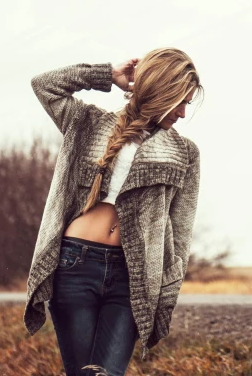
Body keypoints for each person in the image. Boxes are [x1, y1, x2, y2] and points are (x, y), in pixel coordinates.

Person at [23, 48, 203, 376]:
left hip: (132, 278)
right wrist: (106, 74)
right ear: (161, 91)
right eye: (180, 100)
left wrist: (166, 293)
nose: (182, 113)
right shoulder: (88, 123)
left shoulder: (184, 153)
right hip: (75, 266)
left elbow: (180, 235)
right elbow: (44, 84)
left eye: (188, 103)